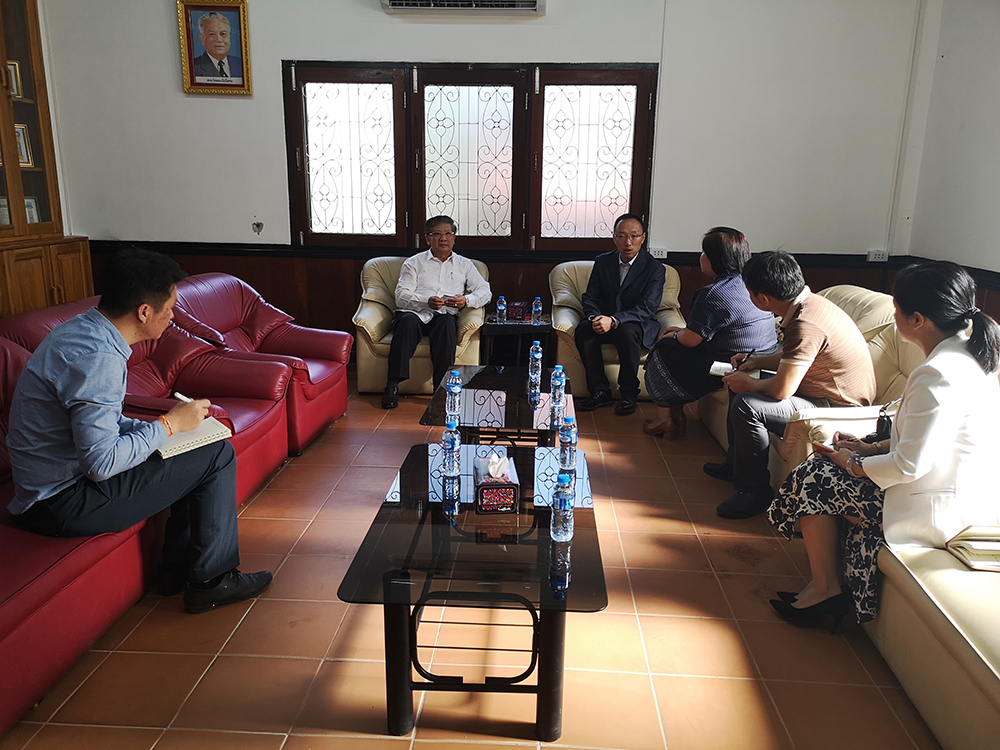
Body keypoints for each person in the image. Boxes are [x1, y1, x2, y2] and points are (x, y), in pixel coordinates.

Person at [6, 249, 271, 615]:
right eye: (170, 308)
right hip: (62, 502)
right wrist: (168, 426)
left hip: (58, 487)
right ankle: (212, 582)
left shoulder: (84, 332)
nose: (173, 316)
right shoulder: (98, 358)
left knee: (194, 447)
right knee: (218, 455)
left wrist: (164, 431)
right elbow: (101, 463)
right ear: (144, 311)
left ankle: (175, 573)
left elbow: (103, 425)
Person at [767, 261, 1000, 630]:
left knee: (815, 477)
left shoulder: (937, 373)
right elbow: (931, 439)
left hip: (937, 508)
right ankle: (827, 588)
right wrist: (869, 449)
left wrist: (851, 464)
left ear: (918, 320)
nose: (893, 317)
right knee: (823, 468)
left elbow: (909, 465)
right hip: (950, 489)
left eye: (896, 309)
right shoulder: (967, 353)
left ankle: (826, 591)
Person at [711, 250, 876, 519]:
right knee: (740, 380)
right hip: (822, 394)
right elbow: (796, 357)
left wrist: (749, 383)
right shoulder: (810, 305)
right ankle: (734, 464)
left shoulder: (805, 323)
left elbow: (782, 390)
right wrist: (756, 362)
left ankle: (754, 492)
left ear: (763, 298)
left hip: (837, 407)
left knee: (746, 404)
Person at [642, 227, 776, 439]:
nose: (701, 257)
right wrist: (682, 332)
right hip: (765, 356)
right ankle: (676, 414)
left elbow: (690, 341)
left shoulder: (713, 294)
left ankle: (664, 418)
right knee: (675, 345)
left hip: (730, 364)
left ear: (717, 259)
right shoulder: (754, 283)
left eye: (704, 252)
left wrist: (675, 335)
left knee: (663, 348)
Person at [382, 215, 492, 409]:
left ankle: (442, 390)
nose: (443, 239)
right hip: (415, 313)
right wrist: (426, 301)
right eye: (437, 234)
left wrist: (466, 300)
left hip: (444, 316)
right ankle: (392, 386)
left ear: (454, 238)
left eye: (448, 234)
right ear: (427, 238)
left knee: (447, 324)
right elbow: (401, 296)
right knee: (406, 323)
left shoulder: (465, 264)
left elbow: (485, 292)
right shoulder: (414, 263)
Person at [574, 213, 666, 416]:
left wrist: (614, 320)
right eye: (622, 236)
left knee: (627, 331)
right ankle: (600, 391)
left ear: (643, 238)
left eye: (634, 236)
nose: (628, 242)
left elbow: (647, 307)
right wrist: (595, 317)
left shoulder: (654, 268)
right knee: (584, 329)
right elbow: (590, 297)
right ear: (614, 238)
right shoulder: (603, 262)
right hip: (604, 320)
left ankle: (628, 394)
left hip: (635, 323)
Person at [192, 11, 243, 80]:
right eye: (212, 34)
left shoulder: (240, 63)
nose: (219, 40)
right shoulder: (194, 67)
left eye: (223, 34)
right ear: (202, 38)